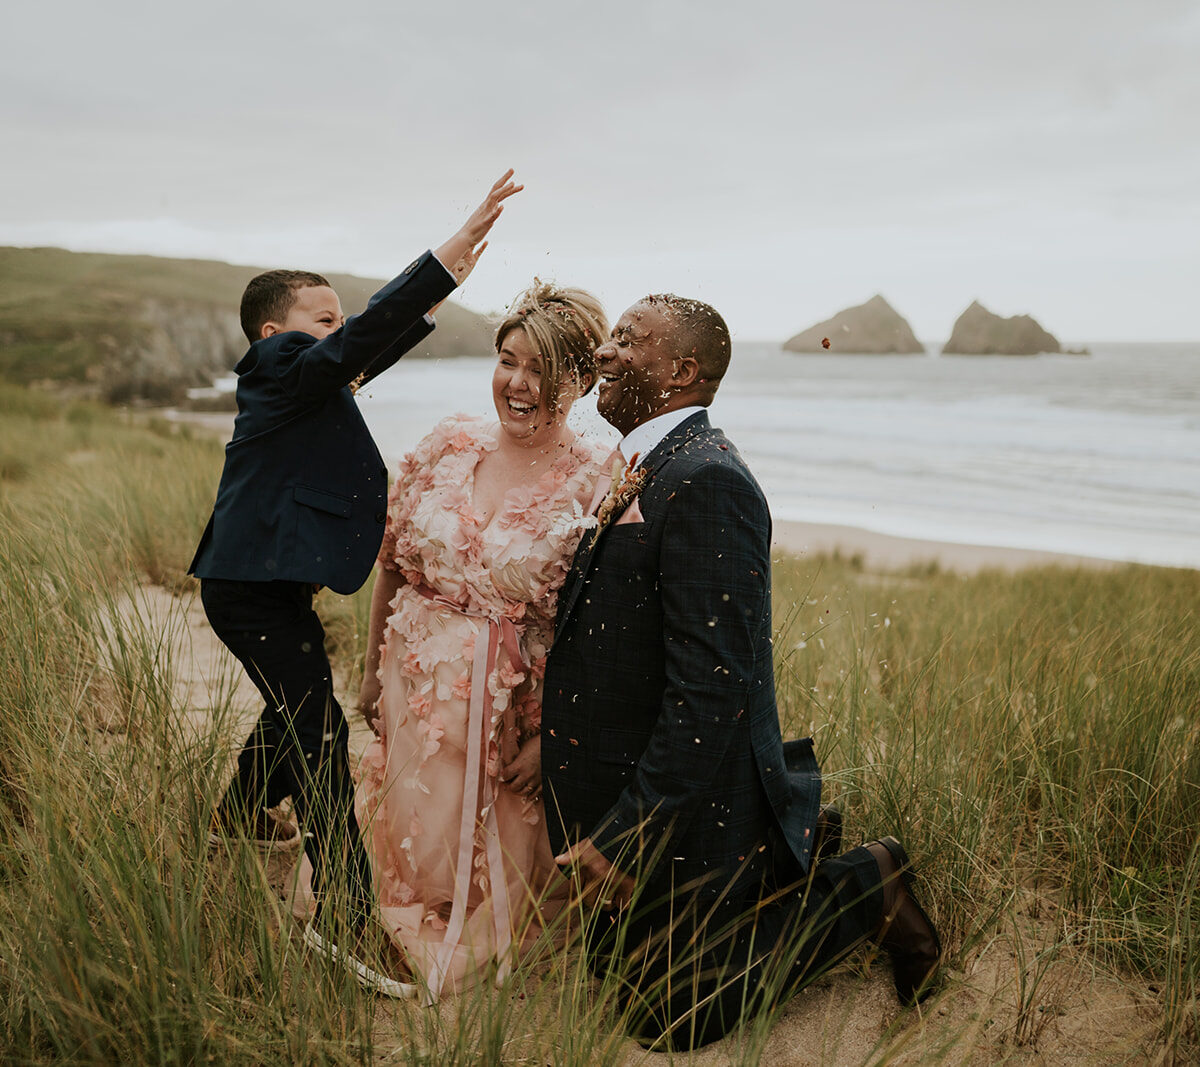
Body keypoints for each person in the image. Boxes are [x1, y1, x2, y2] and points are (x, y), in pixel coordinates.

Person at [541, 294, 941, 1049]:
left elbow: (710, 690)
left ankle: (864, 886)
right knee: (605, 964)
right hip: (636, 776)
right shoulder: (643, 464)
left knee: (668, 1017)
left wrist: (629, 836)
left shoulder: (706, 481)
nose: (606, 350)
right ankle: (794, 850)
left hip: (691, 801)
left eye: (629, 339)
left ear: (682, 370)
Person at [189, 171, 523, 994]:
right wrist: (440, 261)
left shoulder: (303, 384)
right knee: (322, 738)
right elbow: (352, 348)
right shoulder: (278, 366)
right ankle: (341, 921)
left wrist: (428, 306)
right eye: (323, 318)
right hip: (249, 589)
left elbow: (359, 353)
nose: (336, 333)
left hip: (264, 586)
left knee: (294, 707)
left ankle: (236, 823)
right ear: (276, 333)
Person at [351, 281, 610, 1000]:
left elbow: (590, 630)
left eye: (543, 370)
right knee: (407, 817)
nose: (518, 384)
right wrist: (373, 671)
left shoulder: (597, 481)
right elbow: (393, 563)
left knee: (484, 861)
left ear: (582, 381)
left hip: (508, 715)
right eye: (507, 360)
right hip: (411, 680)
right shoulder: (446, 444)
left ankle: (461, 928)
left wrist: (554, 733)